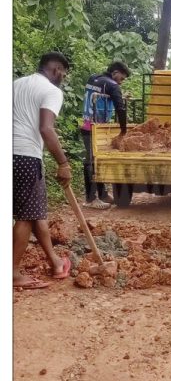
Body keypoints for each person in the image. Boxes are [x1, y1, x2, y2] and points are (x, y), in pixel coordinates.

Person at [12, 52, 73, 289]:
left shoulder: (16, 84)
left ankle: (56, 263)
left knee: (34, 212)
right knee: (26, 216)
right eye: (63, 73)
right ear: (56, 69)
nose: (63, 78)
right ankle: (12, 274)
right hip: (25, 155)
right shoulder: (51, 91)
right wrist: (63, 163)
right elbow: (46, 129)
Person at [81, 61, 130, 209]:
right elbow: (120, 109)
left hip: (86, 124)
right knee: (91, 163)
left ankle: (102, 194)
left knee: (96, 161)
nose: (120, 82)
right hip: (97, 128)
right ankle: (91, 199)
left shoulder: (94, 78)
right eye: (121, 78)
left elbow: (102, 94)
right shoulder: (112, 85)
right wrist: (123, 130)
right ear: (115, 72)